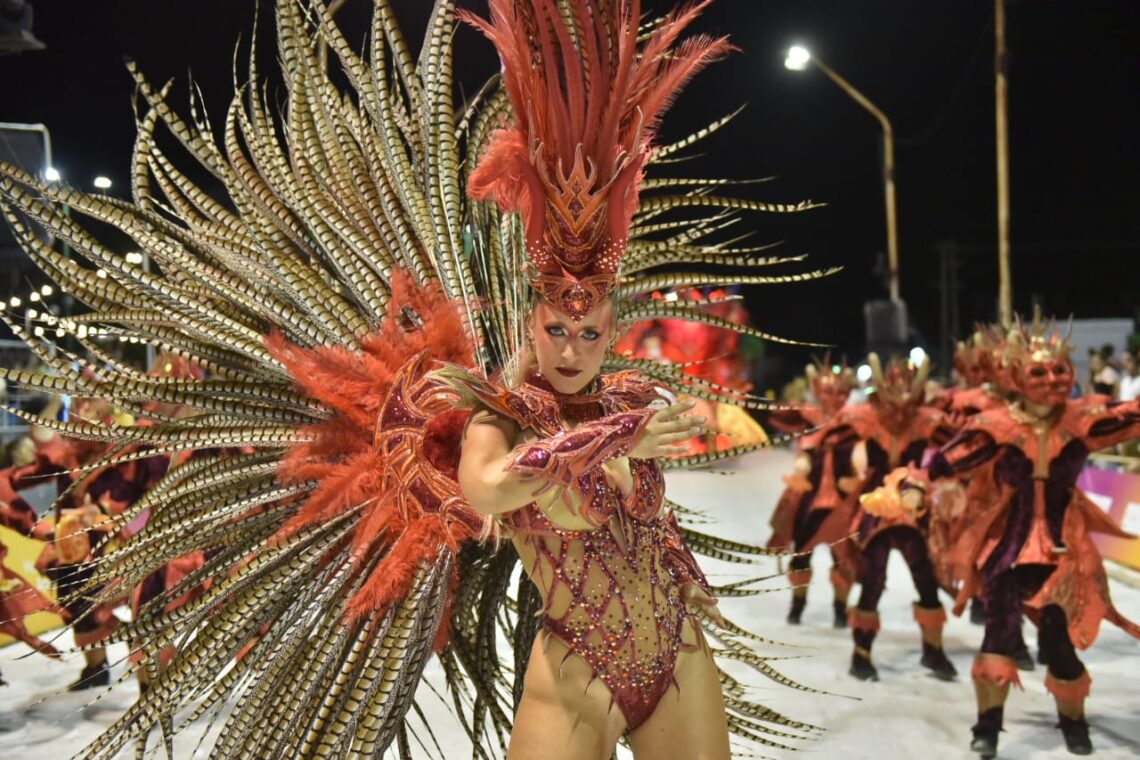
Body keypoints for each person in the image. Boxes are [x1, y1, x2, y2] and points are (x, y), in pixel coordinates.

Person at [0, 0, 830, 757]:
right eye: (555, 327)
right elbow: (493, 492)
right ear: (529, 321)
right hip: (577, 673)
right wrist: (613, 436)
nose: (572, 344)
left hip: (680, 662)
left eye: (588, 328)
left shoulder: (634, 400)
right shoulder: (495, 413)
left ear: (613, 327)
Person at [899, 320, 1140, 757]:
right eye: (1040, 373)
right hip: (1007, 548)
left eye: (1061, 370)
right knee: (999, 631)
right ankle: (988, 726)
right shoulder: (996, 425)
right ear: (1015, 379)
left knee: (1057, 640)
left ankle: (1073, 720)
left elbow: (1133, 414)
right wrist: (916, 482)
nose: (1054, 380)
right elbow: (948, 459)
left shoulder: (1083, 418)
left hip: (1064, 549)